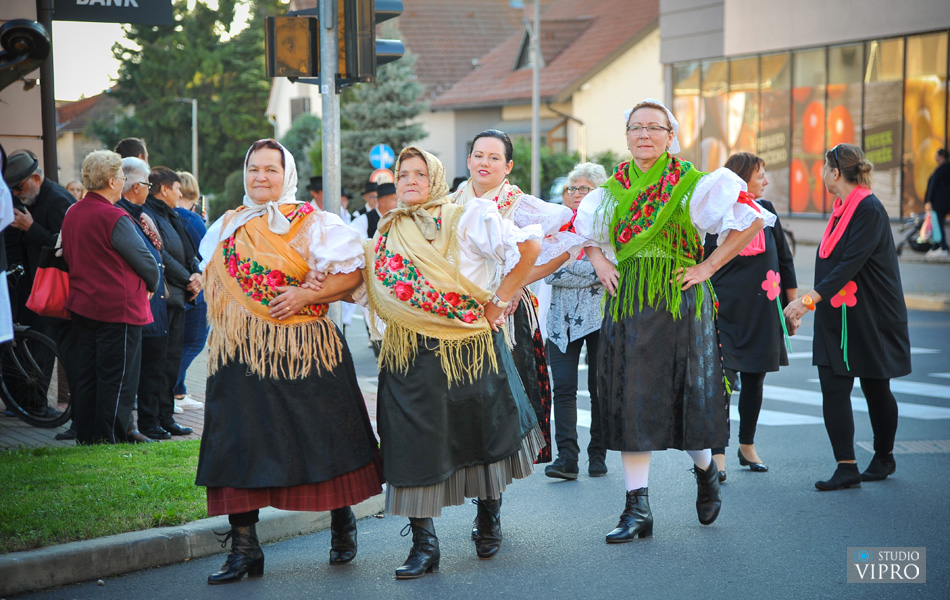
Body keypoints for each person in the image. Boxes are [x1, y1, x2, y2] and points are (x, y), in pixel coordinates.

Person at [575, 99, 774, 542]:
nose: (643, 134)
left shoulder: (695, 184)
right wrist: (598, 261)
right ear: (626, 136)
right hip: (627, 302)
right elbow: (583, 234)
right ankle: (636, 509)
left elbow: (752, 221)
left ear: (670, 135)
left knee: (686, 398)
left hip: (679, 302)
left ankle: (705, 473)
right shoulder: (609, 190)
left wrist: (706, 267)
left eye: (653, 127)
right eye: (635, 127)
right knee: (631, 400)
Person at [195, 139, 383, 584]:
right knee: (236, 441)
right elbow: (208, 275)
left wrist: (307, 292)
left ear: (287, 174)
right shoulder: (225, 226)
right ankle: (244, 548)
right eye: (253, 169)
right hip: (241, 352)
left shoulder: (317, 222)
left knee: (325, 437)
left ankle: (342, 521)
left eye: (270, 170)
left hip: (306, 349)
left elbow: (356, 275)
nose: (261, 177)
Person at [363, 146, 543, 578]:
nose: (409, 181)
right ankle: (424, 545)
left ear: (436, 179)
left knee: (481, 433)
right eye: (403, 174)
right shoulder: (386, 231)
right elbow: (362, 284)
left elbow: (530, 247)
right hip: (408, 353)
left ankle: (488, 516)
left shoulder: (467, 216)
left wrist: (499, 302)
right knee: (410, 444)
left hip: (468, 349)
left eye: (419, 174)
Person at [784, 143, 911, 491]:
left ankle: (884, 456)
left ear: (836, 173)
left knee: (875, 386)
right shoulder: (841, 209)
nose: (822, 174)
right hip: (837, 314)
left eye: (825, 168)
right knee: (833, 387)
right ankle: (846, 466)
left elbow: (849, 265)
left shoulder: (868, 208)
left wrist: (806, 301)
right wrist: (813, 301)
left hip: (871, 315)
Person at [452, 129, 581, 467]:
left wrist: (515, 283)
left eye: (494, 158)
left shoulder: (519, 205)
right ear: (468, 160)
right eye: (479, 155)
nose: (484, 163)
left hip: (506, 314)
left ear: (507, 167)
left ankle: (492, 501)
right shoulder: (451, 203)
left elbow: (567, 240)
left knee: (500, 405)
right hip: (459, 311)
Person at [706, 152, 798, 481]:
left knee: (756, 381)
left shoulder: (767, 211)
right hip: (724, 312)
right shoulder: (715, 214)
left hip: (764, 310)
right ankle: (718, 454)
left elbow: (784, 262)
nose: (766, 181)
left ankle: (747, 445)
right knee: (722, 384)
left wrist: (793, 307)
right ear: (742, 178)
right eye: (761, 175)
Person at [61, 150, 161, 444]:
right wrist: (153, 281)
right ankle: (111, 437)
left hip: (83, 303)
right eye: (119, 177)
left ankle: (88, 435)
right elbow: (144, 259)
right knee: (117, 378)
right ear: (109, 181)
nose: (121, 181)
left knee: (89, 375)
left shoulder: (73, 212)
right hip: (118, 307)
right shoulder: (114, 216)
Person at [544, 162, 609, 480]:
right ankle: (567, 457)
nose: (576, 194)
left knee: (600, 389)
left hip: (600, 319)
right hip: (560, 321)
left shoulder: (608, 225)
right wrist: (597, 270)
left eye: (585, 188)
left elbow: (616, 268)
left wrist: (571, 268)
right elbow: (549, 270)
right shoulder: (555, 225)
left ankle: (598, 455)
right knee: (564, 389)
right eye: (572, 188)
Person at [139, 167, 199, 439]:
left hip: (179, 298)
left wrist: (196, 273)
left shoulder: (172, 213)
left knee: (171, 362)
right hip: (163, 299)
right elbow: (160, 254)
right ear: (164, 189)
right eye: (177, 188)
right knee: (156, 364)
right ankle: (150, 420)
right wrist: (189, 278)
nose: (180, 193)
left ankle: (166, 416)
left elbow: (189, 250)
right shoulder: (148, 213)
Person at [117, 157, 165, 444]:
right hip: (137, 301)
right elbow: (140, 257)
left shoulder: (141, 214)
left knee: (154, 367)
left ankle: (153, 421)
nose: (150, 189)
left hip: (153, 300)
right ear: (135, 186)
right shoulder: (121, 214)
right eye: (148, 184)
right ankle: (132, 426)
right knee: (134, 372)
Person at [172, 171, 207, 412]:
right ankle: (170, 390)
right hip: (195, 289)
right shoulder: (190, 219)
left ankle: (178, 392)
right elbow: (209, 253)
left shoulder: (166, 214)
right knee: (193, 343)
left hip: (173, 287)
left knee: (178, 343)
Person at [924, 148, 949, 258]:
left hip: (939, 203)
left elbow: (933, 186)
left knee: (937, 224)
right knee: (936, 225)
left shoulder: (942, 169)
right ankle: (936, 247)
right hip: (943, 203)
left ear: (941, 156)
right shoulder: (944, 169)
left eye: (936, 155)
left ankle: (943, 247)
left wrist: (929, 201)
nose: (935, 157)